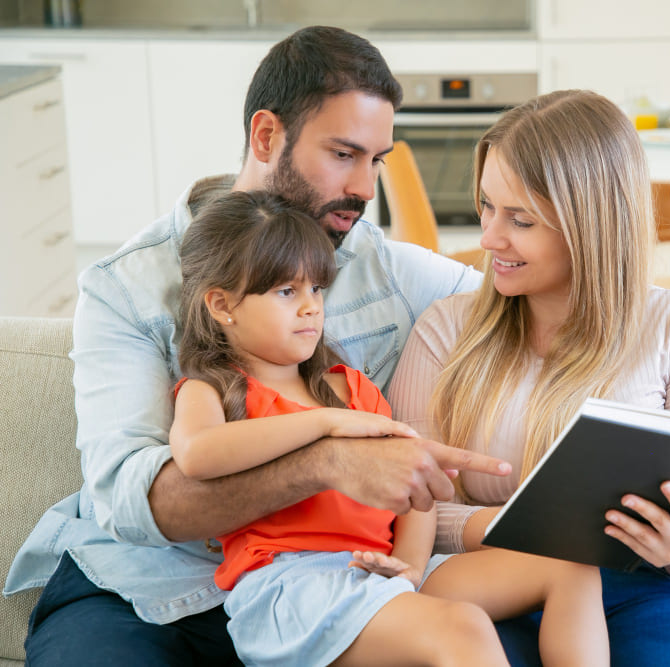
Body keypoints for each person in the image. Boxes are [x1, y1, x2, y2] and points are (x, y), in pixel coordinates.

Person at [3, 25, 670, 666]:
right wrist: (328, 453)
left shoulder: (379, 265)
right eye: (343, 155)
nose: (363, 189)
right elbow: (145, 500)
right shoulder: (130, 286)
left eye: (376, 161)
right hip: (147, 584)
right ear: (267, 134)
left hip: (341, 580)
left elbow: (546, 286)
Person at [387, 89, 670, 665]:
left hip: (645, 594)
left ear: (592, 223)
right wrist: (541, 538)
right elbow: (413, 509)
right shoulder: (445, 332)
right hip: (489, 594)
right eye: (487, 206)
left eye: (521, 219)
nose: (488, 239)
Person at [170, 189, 608, 665]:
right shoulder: (214, 390)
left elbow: (416, 493)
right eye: (285, 292)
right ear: (221, 304)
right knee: (463, 627)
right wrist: (325, 422)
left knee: (571, 566)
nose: (311, 307)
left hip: (383, 570)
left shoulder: (354, 389)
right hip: (292, 585)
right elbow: (197, 454)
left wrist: (409, 571)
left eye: (316, 289)